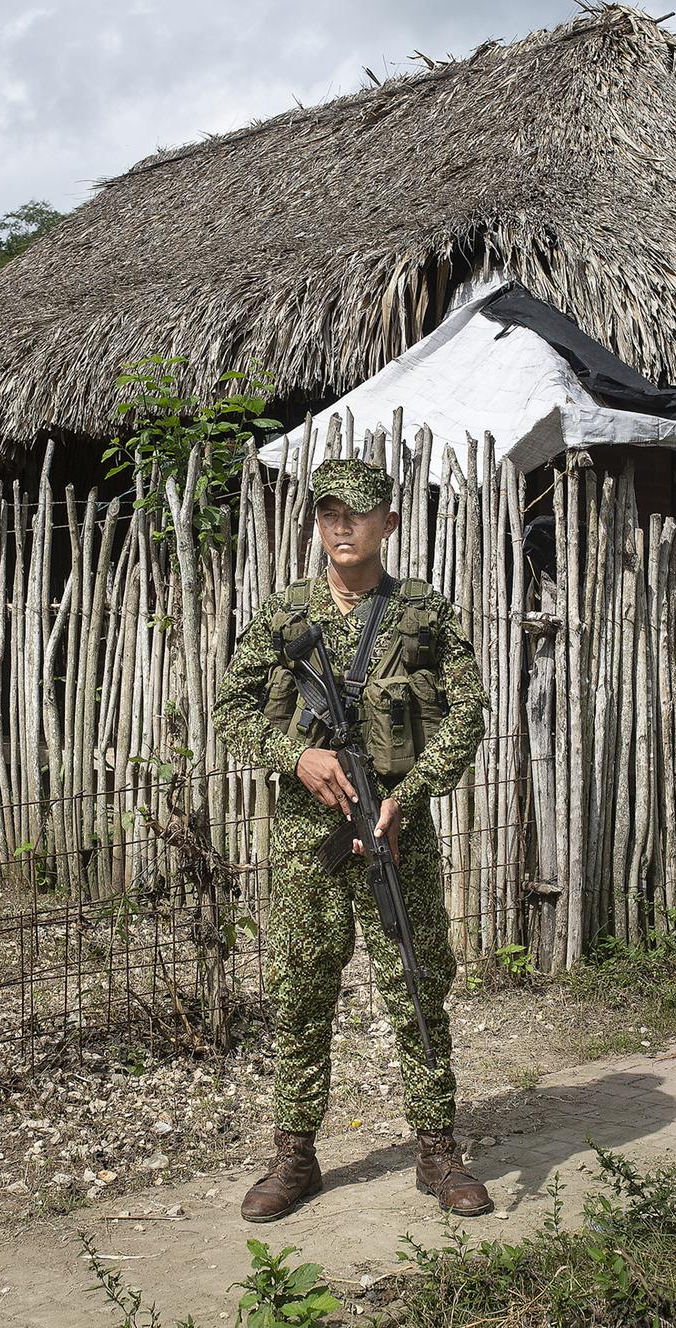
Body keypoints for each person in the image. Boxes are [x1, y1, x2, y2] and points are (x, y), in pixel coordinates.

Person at [213, 456, 494, 1223]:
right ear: (317, 524)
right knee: (301, 990)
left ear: (388, 525)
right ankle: (294, 1155)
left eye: (358, 514)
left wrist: (409, 793)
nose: (342, 526)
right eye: (329, 513)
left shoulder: (425, 613)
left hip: (397, 832)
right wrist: (292, 757)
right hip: (308, 841)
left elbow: (468, 712)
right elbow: (231, 710)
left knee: (415, 980)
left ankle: (437, 1150)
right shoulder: (283, 615)